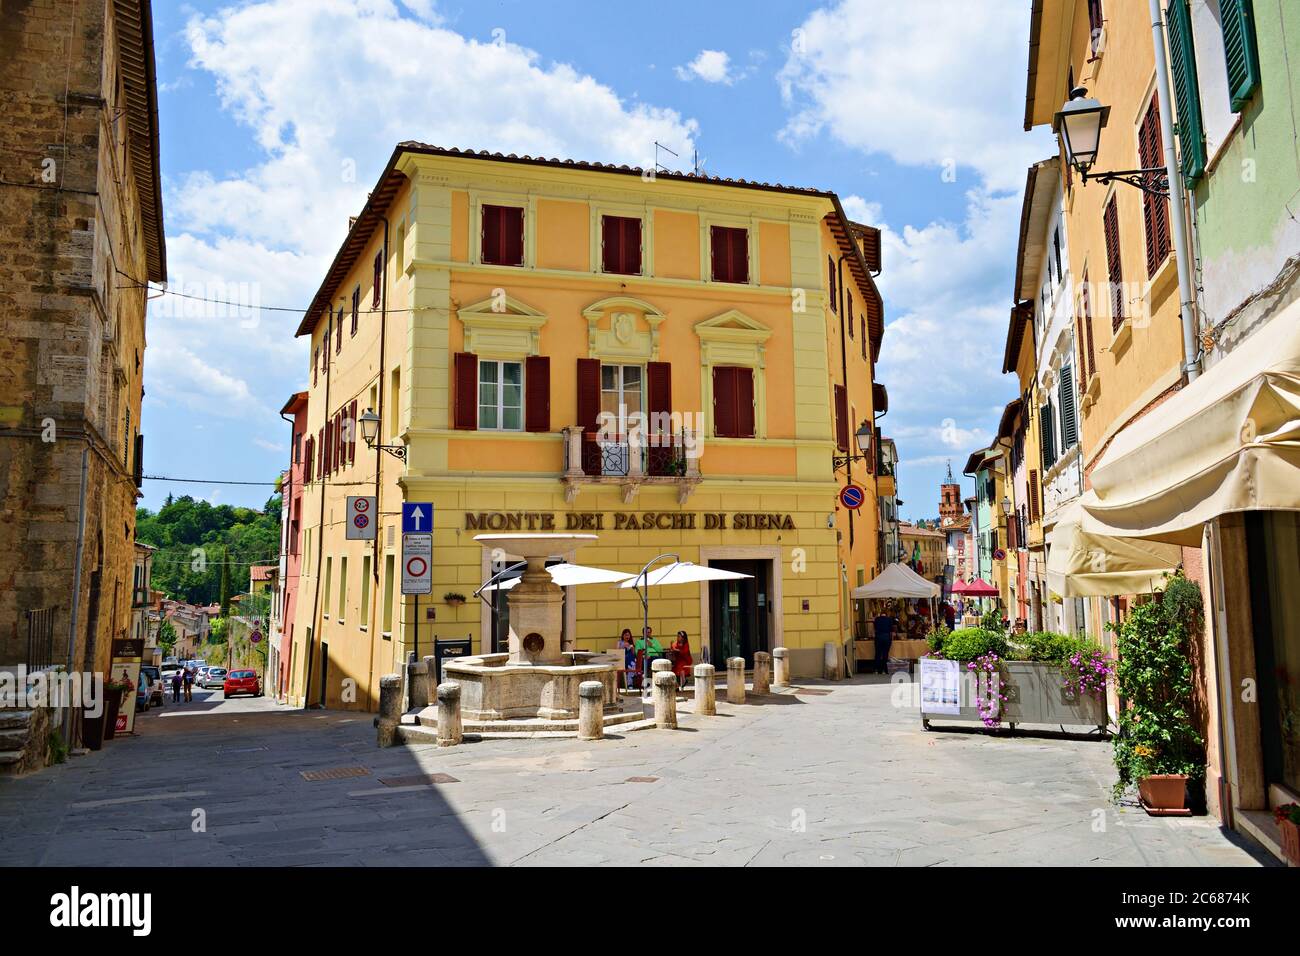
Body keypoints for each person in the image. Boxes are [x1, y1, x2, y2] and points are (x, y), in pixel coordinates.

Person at [636, 626, 664, 693]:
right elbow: (637, 651)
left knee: (660, 662)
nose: (648, 634)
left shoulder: (654, 640)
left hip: (656, 657)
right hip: (646, 658)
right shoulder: (639, 641)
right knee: (646, 662)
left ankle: (660, 681)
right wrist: (643, 655)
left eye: (649, 632)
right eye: (646, 632)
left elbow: (660, 650)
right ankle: (647, 683)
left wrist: (652, 645)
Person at [872, 608, 898, 675]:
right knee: (885, 654)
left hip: (878, 637)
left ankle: (876, 670)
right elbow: (891, 630)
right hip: (886, 638)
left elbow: (875, 628)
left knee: (878, 654)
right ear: (887, 613)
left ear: (881, 613)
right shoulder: (889, 619)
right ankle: (884, 670)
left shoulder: (877, 619)